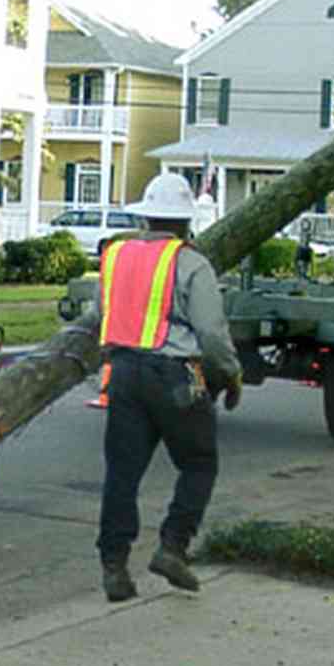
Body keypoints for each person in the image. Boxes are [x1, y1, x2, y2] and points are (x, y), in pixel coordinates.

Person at [84, 172, 242, 602]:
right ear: (185, 222)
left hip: (124, 375)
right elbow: (211, 333)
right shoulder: (190, 263)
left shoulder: (115, 257)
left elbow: (103, 312)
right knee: (198, 462)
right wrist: (229, 374)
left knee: (122, 473)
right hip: (173, 376)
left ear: (146, 217)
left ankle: (114, 568)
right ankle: (173, 546)